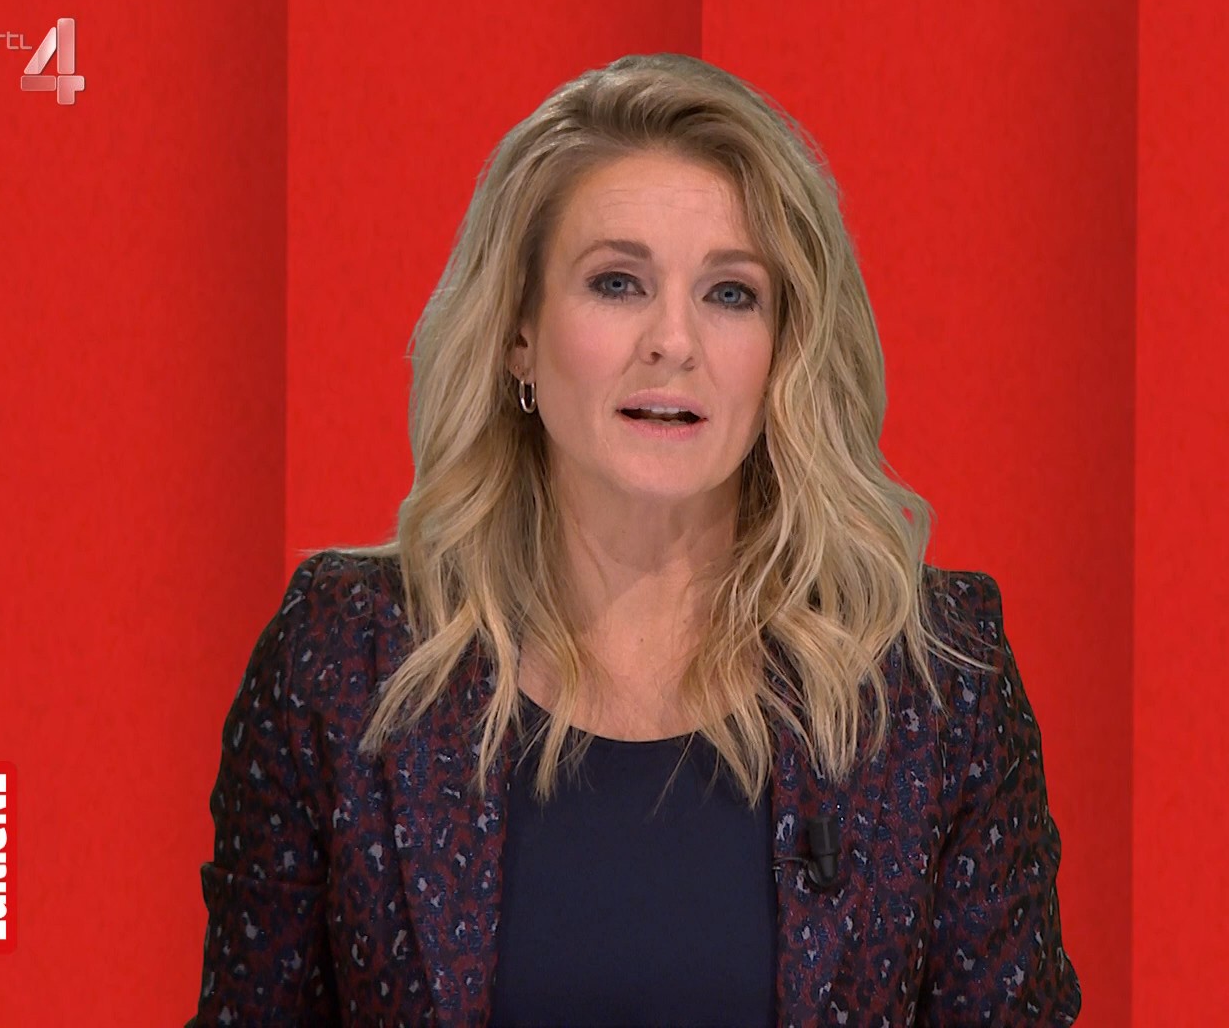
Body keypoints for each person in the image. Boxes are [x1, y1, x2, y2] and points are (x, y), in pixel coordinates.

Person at [187, 52, 1081, 1027]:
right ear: (519, 334)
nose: (674, 341)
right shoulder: (345, 660)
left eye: (731, 293)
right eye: (617, 283)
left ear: (783, 350)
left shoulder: (933, 682)